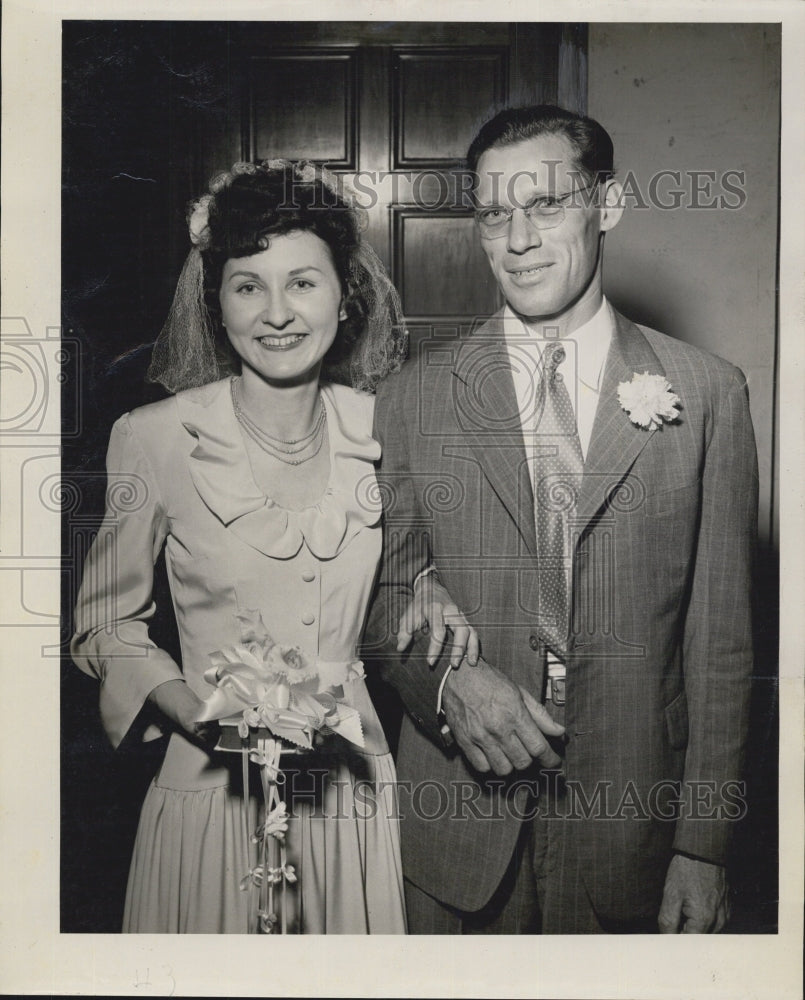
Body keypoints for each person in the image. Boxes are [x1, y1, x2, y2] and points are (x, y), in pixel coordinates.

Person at [366, 105, 758, 934]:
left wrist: (705, 848)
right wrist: (445, 685)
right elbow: (377, 596)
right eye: (494, 214)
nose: (517, 240)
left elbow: (721, 644)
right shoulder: (410, 397)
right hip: (459, 833)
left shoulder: (708, 391)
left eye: (544, 205)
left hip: (636, 836)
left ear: (605, 205)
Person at [70, 158, 473, 934]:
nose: (276, 312)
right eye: (248, 285)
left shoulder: (386, 431)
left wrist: (430, 582)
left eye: (302, 282)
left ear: (344, 297)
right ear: (215, 303)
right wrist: (189, 710)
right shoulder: (152, 439)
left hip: (352, 793)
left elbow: (413, 566)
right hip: (208, 797)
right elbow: (103, 626)